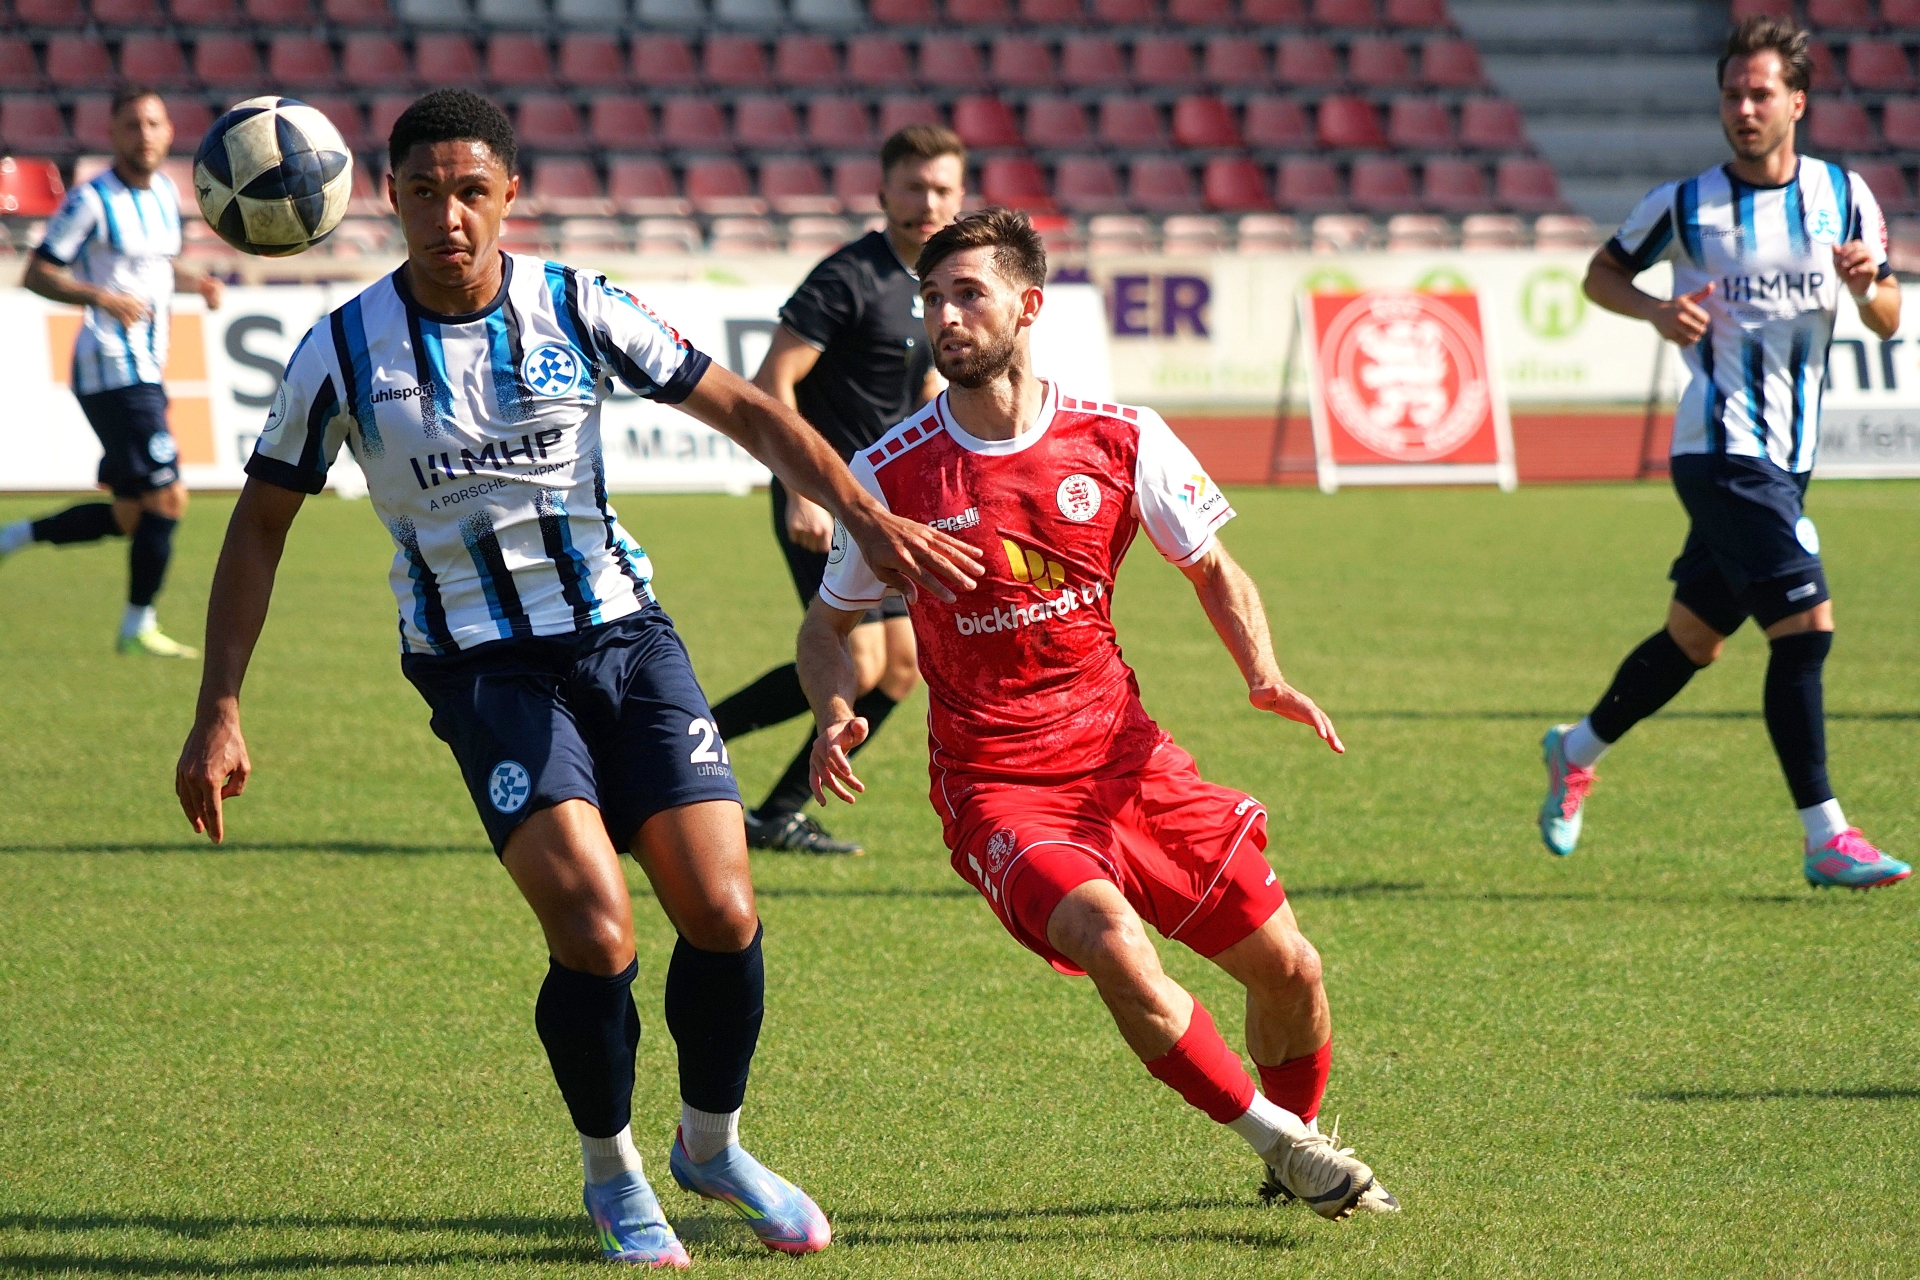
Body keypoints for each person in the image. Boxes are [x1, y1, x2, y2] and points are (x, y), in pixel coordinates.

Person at [172, 91, 980, 1267]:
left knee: (724, 909)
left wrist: (862, 509)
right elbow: (257, 528)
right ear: (385, 198)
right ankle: (613, 1172)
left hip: (625, 636)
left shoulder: (577, 304)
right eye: (423, 191)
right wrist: (219, 706)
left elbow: (750, 409)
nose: (449, 216)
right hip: (481, 663)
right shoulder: (339, 351)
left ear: (511, 194)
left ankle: (712, 1146)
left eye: (471, 190)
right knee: (597, 930)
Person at [796, 208, 1399, 1219]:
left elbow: (1212, 567)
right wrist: (831, 708)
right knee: (1111, 937)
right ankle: (1286, 1143)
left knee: (1293, 970)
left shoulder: (1121, 438)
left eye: (968, 295)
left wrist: (1263, 673)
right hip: (998, 786)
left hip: (1129, 764)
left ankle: (1289, 1159)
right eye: (932, 299)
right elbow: (826, 626)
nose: (945, 318)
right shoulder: (889, 475)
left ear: (1028, 306)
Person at [1539, 17, 1909, 891]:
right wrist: (1655, 310)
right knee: (1806, 627)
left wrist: (1869, 289)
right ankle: (1826, 836)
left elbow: (1889, 314)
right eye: (1733, 94)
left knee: (1695, 639)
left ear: (1797, 103)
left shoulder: (1844, 196)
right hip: (1720, 446)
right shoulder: (1685, 203)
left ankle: (1575, 748)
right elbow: (1600, 274)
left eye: (1761, 94)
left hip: (1788, 458)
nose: (1744, 109)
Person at [706, 124, 965, 855]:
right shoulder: (846, 277)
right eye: (913, 187)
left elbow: (921, 395)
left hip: (882, 506)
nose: (928, 202)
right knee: (860, 661)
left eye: (942, 189)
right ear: (883, 192)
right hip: (823, 499)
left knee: (901, 669)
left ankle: (777, 813)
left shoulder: (935, 287)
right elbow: (772, 382)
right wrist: (801, 490)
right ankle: (674, 745)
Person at [0, 87, 224, 657]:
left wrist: (196, 282)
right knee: (168, 498)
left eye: (153, 124)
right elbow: (37, 273)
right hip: (110, 366)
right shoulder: (91, 201)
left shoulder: (165, 195)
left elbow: (157, 267)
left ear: (168, 132)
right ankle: (137, 626)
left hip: (148, 364)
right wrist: (101, 297)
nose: (143, 135)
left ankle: (11, 537)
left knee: (131, 515)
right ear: (112, 133)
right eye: (132, 125)